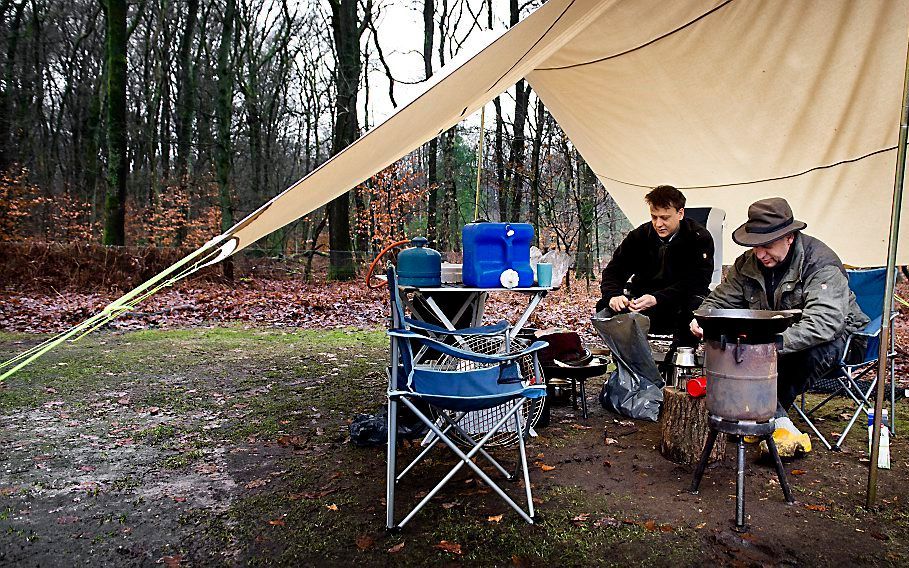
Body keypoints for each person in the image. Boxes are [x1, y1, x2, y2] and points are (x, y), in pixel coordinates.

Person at [690, 197, 869, 456]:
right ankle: (766, 419)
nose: (760, 254)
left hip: (841, 340)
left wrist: (769, 346)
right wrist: (703, 318)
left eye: (767, 246)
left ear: (790, 237)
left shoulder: (820, 263)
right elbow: (722, 299)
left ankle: (767, 418)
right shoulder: (748, 263)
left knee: (798, 353)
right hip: (774, 337)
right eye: (755, 246)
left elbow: (824, 322)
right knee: (733, 345)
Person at [597, 185, 714, 346]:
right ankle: (628, 364)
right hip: (641, 302)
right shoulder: (639, 236)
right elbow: (614, 270)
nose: (658, 224)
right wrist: (613, 295)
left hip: (679, 302)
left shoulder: (698, 237)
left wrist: (657, 298)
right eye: (654, 217)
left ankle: (680, 364)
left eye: (665, 217)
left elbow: (698, 282)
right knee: (605, 307)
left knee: (696, 307)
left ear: (680, 213)